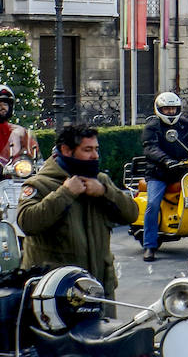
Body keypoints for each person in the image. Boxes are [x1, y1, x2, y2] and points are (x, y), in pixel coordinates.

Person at [19, 123, 138, 297]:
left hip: (99, 287)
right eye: (88, 150)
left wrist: (105, 192)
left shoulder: (100, 181)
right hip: (56, 292)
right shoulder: (39, 184)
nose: (95, 156)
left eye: (96, 149)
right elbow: (27, 222)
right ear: (66, 150)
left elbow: (132, 214)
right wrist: (65, 193)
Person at [139, 91, 188, 262]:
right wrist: (166, 160)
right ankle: (150, 245)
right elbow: (150, 148)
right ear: (159, 109)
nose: (170, 112)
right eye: (166, 109)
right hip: (159, 173)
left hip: (183, 172)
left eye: (173, 109)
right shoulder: (152, 126)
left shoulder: (186, 125)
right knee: (153, 204)